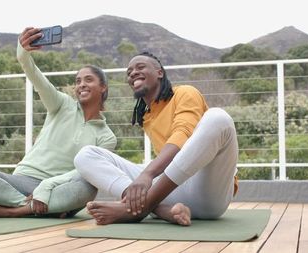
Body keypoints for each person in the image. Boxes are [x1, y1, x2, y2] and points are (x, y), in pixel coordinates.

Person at [0, 27, 117, 218]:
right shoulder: (62, 104)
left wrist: (47, 186)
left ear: (103, 87)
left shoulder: (107, 137)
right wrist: (23, 52)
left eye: (88, 80)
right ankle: (30, 208)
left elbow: (83, 172)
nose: (81, 84)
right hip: (23, 182)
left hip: (57, 188)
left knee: (88, 186)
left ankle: (14, 211)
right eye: (78, 81)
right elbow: (36, 78)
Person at [74, 52, 238, 226]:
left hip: (208, 193)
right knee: (85, 155)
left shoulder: (184, 93)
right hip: (171, 192)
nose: (133, 73)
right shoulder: (146, 116)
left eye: (140, 67)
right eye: (129, 72)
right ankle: (159, 209)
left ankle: (139, 209)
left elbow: (182, 136)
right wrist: (147, 177)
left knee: (218, 118)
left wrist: (148, 174)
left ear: (159, 72)